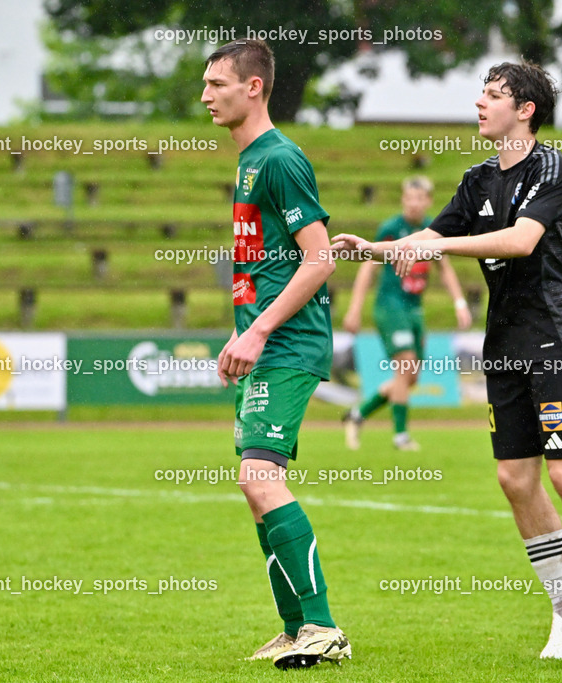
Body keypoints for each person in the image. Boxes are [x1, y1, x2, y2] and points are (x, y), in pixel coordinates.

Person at [333, 61, 562, 661]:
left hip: (558, 338)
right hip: (506, 345)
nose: (479, 103)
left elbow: (521, 240)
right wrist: (375, 247)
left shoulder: (553, 168)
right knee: (514, 478)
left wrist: (437, 244)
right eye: (482, 93)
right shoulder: (475, 180)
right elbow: (428, 238)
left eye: (493, 95)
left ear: (525, 110)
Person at [203, 39, 350, 670]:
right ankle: (296, 630)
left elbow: (319, 258)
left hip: (287, 343)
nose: (205, 96)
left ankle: (320, 627)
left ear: (253, 88)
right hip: (263, 342)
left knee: (259, 479)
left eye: (217, 84)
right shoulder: (247, 162)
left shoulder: (280, 159)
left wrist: (258, 330)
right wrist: (242, 330)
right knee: (255, 483)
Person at [341, 176, 472, 451]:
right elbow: (368, 266)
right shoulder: (392, 228)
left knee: (409, 378)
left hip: (415, 309)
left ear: (428, 200)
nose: (413, 203)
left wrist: (460, 303)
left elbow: (444, 268)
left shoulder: (432, 229)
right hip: (391, 306)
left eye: (419, 198)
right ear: (403, 199)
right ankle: (400, 436)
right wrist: (354, 309)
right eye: (408, 197)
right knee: (406, 367)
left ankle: (358, 414)